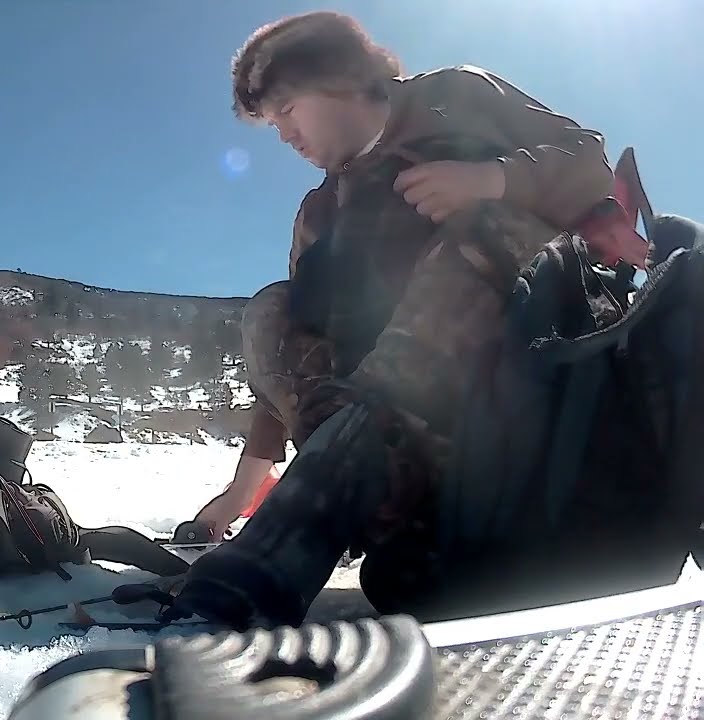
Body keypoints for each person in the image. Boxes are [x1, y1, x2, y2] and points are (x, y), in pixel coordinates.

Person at [165, 10, 661, 630]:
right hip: (409, 461)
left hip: (534, 402)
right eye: (272, 125)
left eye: (288, 109)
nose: (285, 136)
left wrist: (493, 179)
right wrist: (240, 496)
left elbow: (588, 161)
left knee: (478, 231)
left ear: (341, 76)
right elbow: (297, 354)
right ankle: (362, 511)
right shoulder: (319, 213)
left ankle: (270, 564)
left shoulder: (456, 96)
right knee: (273, 308)